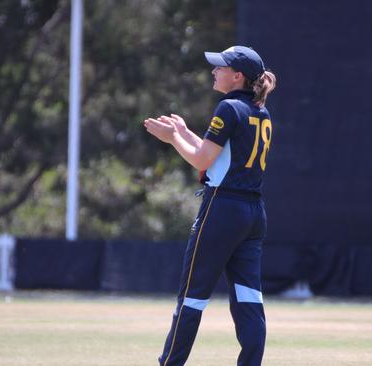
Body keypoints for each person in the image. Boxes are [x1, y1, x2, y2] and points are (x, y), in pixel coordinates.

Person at [143, 45, 277, 366]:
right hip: (253, 214)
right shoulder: (260, 111)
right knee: (248, 298)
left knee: (191, 296)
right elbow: (217, 155)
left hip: (222, 209)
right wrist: (184, 131)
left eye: (220, 67)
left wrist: (173, 139)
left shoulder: (228, 108)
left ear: (237, 76)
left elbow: (203, 160)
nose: (214, 71)